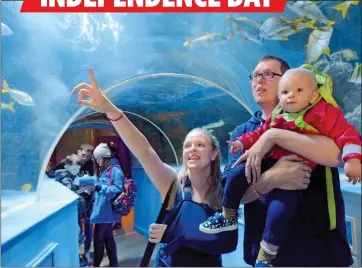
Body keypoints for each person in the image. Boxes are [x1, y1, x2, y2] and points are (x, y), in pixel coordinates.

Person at [72, 68, 237, 267]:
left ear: (214, 153)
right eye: (187, 146)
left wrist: (174, 233)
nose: (192, 149)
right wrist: (111, 111)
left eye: (200, 145)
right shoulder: (172, 184)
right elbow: (144, 150)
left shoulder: (225, 191)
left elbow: (228, 243)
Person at [199, 67, 361, 266]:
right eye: (255, 75)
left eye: (268, 74)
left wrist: (273, 136)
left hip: (319, 250)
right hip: (260, 248)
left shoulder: (319, 115)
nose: (259, 80)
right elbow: (228, 192)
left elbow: (336, 154)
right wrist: (270, 179)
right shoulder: (243, 130)